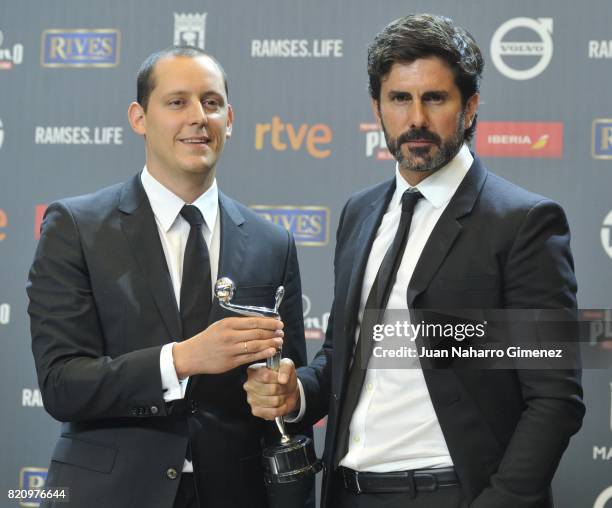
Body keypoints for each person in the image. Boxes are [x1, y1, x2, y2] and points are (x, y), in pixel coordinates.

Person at [244, 14, 585, 508]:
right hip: (347, 491)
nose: (416, 119)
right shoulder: (360, 212)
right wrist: (298, 394)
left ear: (470, 107)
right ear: (377, 108)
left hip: (451, 493)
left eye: (435, 98)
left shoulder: (525, 222)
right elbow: (346, 355)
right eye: (400, 99)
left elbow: (555, 398)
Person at [27, 46, 310, 508]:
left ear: (230, 119)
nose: (198, 117)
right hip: (109, 493)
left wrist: (281, 392)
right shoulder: (76, 227)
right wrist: (181, 359)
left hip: (237, 494)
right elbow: (61, 384)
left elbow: (289, 379)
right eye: (177, 102)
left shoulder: (271, 242)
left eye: (211, 103)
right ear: (139, 118)